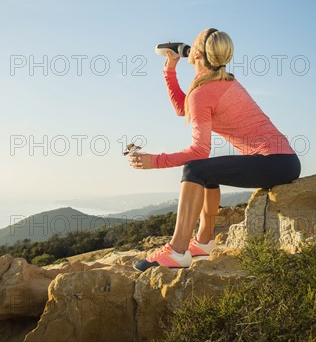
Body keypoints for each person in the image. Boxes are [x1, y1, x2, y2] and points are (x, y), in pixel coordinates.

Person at [129, 28, 301, 272]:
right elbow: (184, 107)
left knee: (194, 169)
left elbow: (199, 151)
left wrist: (155, 161)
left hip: (273, 162)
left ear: (197, 52)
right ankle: (203, 241)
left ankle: (178, 251)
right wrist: (170, 69)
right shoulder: (224, 80)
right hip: (283, 161)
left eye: (195, 41)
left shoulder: (204, 91)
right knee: (206, 171)